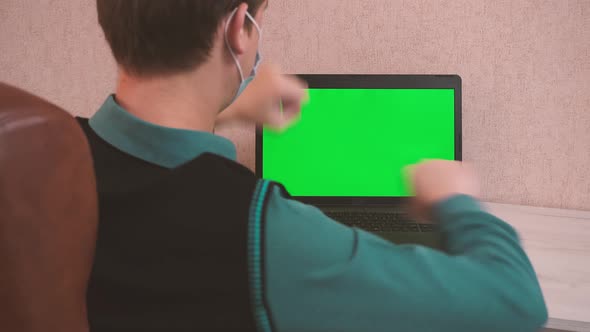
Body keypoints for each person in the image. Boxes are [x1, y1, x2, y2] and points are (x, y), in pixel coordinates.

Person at [78, 1, 548, 331]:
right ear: (239, 28)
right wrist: (456, 199)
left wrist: (223, 111)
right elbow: (515, 300)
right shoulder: (265, 234)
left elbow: (158, 168)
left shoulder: (51, 153)